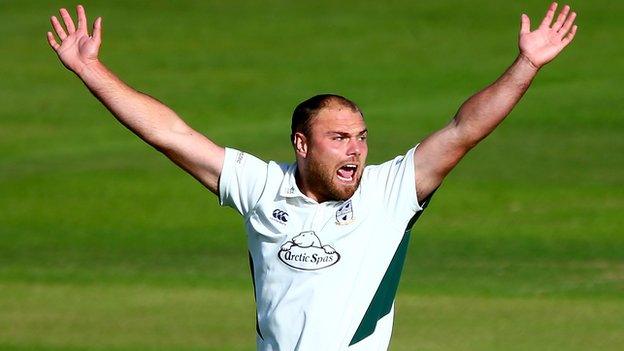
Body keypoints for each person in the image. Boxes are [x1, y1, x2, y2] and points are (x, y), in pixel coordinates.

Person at [47, 3, 577, 350]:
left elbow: (464, 129)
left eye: (362, 136)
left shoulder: (388, 192)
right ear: (301, 144)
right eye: (340, 138)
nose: (358, 150)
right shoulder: (261, 186)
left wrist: (526, 64)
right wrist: (90, 69)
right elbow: (172, 135)